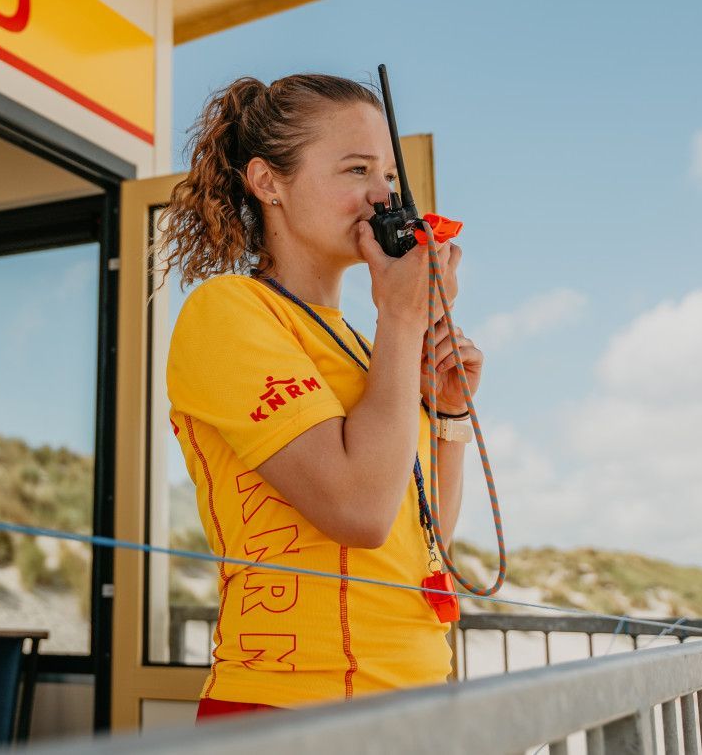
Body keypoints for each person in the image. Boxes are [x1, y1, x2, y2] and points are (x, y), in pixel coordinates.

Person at [156, 73, 485, 719]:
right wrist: (401, 320)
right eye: (356, 169)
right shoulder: (227, 313)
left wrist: (446, 413)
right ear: (267, 182)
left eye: (388, 176)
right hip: (291, 710)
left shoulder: (365, 348)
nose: (380, 196)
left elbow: (421, 539)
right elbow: (359, 510)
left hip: (413, 704)